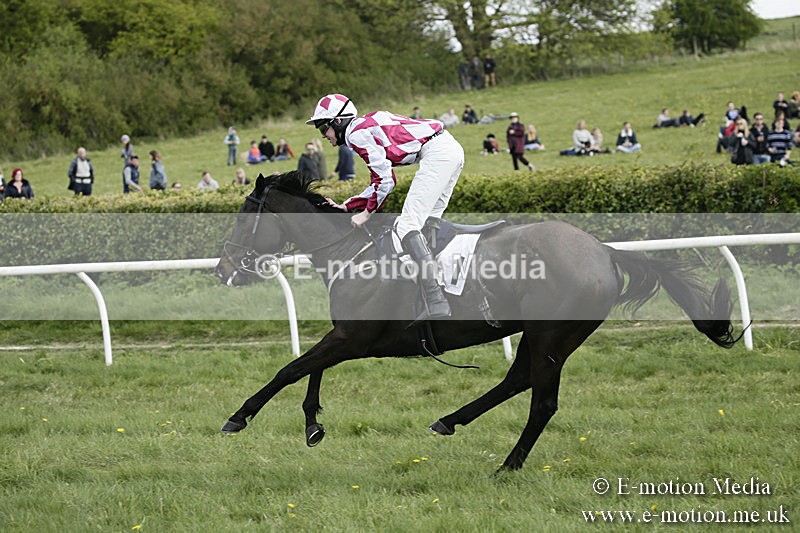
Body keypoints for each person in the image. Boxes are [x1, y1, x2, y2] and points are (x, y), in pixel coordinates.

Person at [307, 93, 464, 322]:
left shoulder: (356, 134)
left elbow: (386, 182)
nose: (324, 136)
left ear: (338, 122)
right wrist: (348, 206)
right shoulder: (363, 126)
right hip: (449, 148)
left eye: (323, 128)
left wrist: (367, 213)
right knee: (427, 225)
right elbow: (379, 181)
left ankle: (436, 299)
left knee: (406, 226)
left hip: (438, 153)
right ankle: (437, 293)